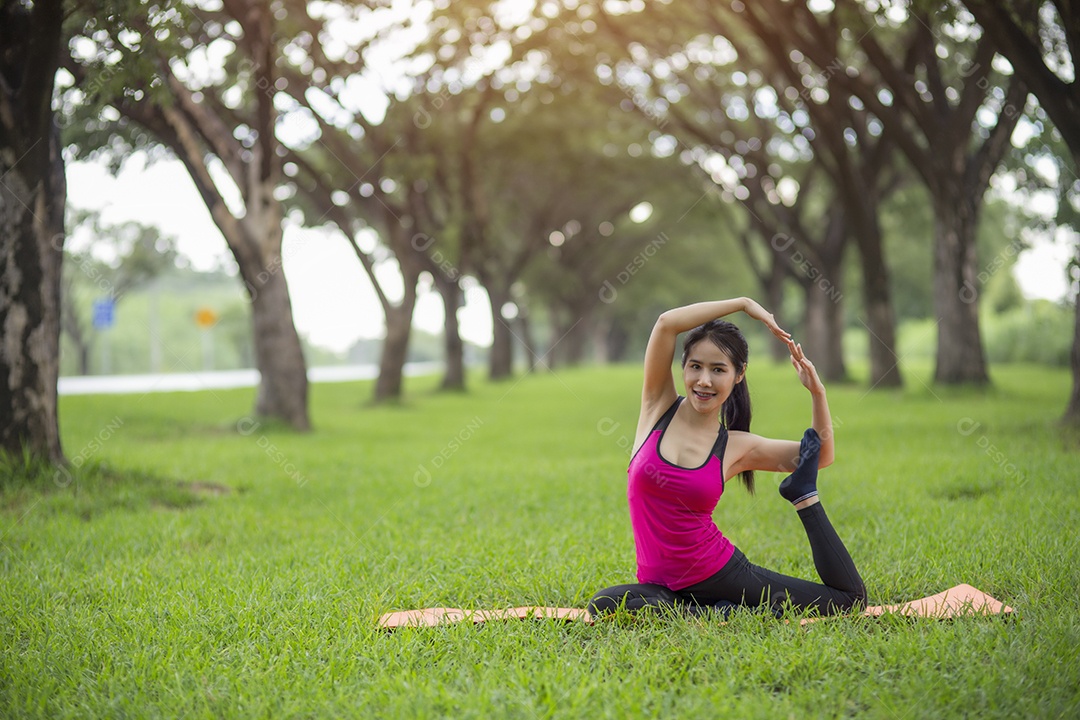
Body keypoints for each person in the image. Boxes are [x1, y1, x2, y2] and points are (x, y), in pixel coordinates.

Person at [588, 298, 866, 619]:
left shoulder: (736, 446)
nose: (704, 381)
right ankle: (716, 613)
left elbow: (820, 457)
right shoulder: (656, 409)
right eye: (696, 366)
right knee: (604, 603)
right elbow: (666, 323)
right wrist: (743, 304)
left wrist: (818, 394)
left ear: (738, 374)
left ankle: (803, 497)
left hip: (719, 573)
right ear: (683, 367)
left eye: (718, 369)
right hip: (658, 586)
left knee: (849, 599)